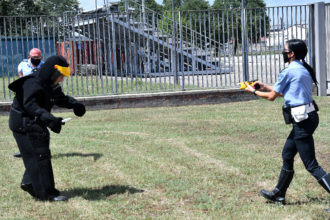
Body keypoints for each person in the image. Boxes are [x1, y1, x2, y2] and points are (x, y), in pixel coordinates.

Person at [243, 39, 329, 204]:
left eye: (285, 50)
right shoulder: (301, 68)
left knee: (311, 165)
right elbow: (287, 94)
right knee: (287, 154)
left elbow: (271, 97)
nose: (284, 52)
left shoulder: (289, 71)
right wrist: (265, 86)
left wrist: (253, 91)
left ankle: (279, 194)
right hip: (307, 117)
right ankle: (279, 194)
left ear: (292, 54)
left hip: (302, 120)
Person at [8, 55, 86, 201]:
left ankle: (30, 183)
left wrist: (75, 105)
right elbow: (31, 106)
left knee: (37, 154)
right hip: (23, 124)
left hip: (31, 123)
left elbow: (60, 98)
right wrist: (50, 120)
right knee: (40, 155)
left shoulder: (49, 84)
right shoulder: (32, 83)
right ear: (53, 72)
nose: (62, 80)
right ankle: (46, 193)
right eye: (61, 76)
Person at [13, 48, 45, 158]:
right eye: (34, 58)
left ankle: (39, 150)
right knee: (22, 124)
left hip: (37, 100)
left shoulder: (44, 66)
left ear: (41, 57)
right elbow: (20, 78)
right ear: (29, 57)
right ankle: (24, 150)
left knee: (37, 124)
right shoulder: (22, 65)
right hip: (25, 99)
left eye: (38, 58)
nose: (36, 60)